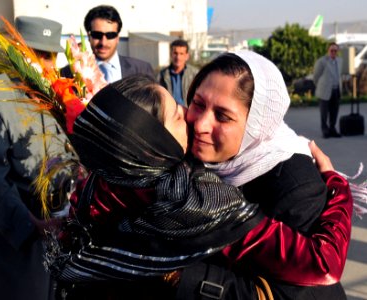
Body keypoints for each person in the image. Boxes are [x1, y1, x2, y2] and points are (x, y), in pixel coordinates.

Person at [47, 75, 352, 299]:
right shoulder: (194, 201)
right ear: (154, 144)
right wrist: (338, 186)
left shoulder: (102, 181)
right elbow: (322, 264)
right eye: (179, 115)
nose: (194, 120)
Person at [184, 50, 350, 298]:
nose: (200, 124)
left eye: (222, 116)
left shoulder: (295, 186)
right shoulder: (192, 154)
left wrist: (177, 276)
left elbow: (291, 293)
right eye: (198, 104)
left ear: (256, 125)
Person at [0, 16, 73, 300]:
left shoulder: (59, 94)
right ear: (16, 48)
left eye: (49, 56)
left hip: (61, 225)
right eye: (34, 53)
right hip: (19, 228)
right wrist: (32, 226)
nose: (43, 63)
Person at [62, 5, 154, 82]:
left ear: (118, 37)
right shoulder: (67, 74)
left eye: (110, 35)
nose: (103, 42)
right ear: (89, 36)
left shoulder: (142, 70)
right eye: (97, 35)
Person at [313, 42, 343, 138]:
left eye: (335, 50)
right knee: (324, 113)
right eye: (332, 50)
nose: (333, 52)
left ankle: (332, 129)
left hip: (336, 90)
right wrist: (320, 86)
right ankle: (325, 131)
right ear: (328, 51)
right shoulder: (322, 61)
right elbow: (316, 76)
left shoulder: (339, 61)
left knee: (334, 112)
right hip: (324, 91)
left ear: (337, 51)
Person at [158, 39, 199, 106]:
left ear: (187, 56)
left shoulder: (195, 74)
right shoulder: (163, 74)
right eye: (175, 53)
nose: (178, 57)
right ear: (171, 54)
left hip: (188, 112)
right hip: (169, 112)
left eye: (181, 54)